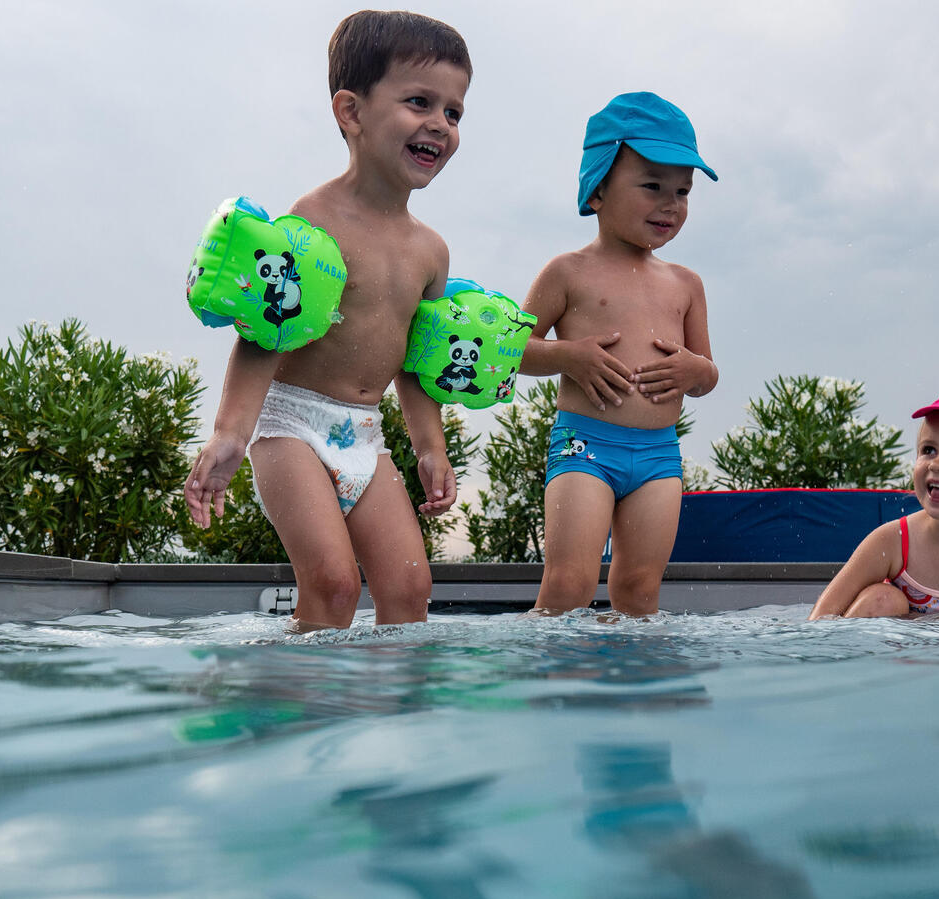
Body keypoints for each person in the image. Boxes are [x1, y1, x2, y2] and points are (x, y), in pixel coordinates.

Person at [184, 10, 471, 631]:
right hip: (291, 426)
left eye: (453, 112)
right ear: (352, 112)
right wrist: (231, 433)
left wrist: (430, 447)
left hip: (364, 434)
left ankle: (395, 719)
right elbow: (264, 333)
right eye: (419, 101)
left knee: (410, 587)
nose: (439, 125)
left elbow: (418, 364)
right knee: (335, 583)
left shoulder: (430, 251)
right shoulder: (312, 221)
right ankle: (304, 710)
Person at [518, 93, 719, 615]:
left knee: (639, 590)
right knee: (569, 584)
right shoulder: (567, 272)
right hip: (586, 445)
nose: (670, 204)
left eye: (682, 191)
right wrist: (569, 356)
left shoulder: (686, 284)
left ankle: (633, 693)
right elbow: (512, 350)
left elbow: (706, 374)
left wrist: (694, 370)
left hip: (658, 455)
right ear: (600, 186)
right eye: (652, 186)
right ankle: (555, 689)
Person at [809, 377, 939, 619]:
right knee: (883, 599)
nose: (938, 464)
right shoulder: (892, 542)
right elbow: (819, 625)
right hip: (900, 654)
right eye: (928, 449)